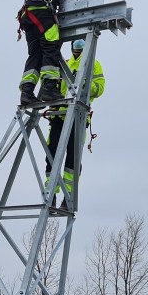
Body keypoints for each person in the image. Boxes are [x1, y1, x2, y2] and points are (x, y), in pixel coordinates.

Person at [18, 0, 112, 106]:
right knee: (51, 46)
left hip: (30, 15)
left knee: (36, 55)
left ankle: (27, 92)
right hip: (41, 14)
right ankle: (50, 88)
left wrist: (80, 5)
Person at [45, 38, 105, 208]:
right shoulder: (66, 63)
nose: (77, 50)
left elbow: (100, 87)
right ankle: (50, 195)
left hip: (78, 116)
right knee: (51, 156)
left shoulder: (93, 64)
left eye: (80, 46)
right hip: (59, 115)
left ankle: (67, 196)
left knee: (73, 158)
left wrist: (85, 85)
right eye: (75, 46)